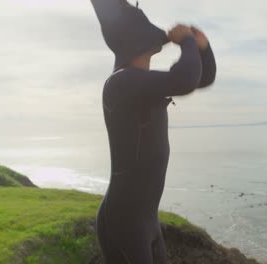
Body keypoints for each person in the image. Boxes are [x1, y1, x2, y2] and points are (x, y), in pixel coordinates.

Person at [90, 0, 217, 263]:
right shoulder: (121, 82)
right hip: (123, 221)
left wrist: (202, 48)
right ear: (135, 40)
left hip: (146, 220)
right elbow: (185, 79)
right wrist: (187, 43)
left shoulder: (142, 83)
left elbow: (201, 78)